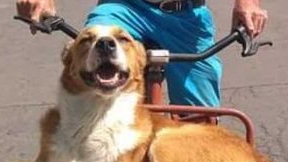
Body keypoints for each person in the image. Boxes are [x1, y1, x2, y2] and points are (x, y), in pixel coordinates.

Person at [15, 0, 268, 107]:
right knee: (92, 49)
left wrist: (248, 3)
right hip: (122, 8)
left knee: (200, 115)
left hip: (186, 14)